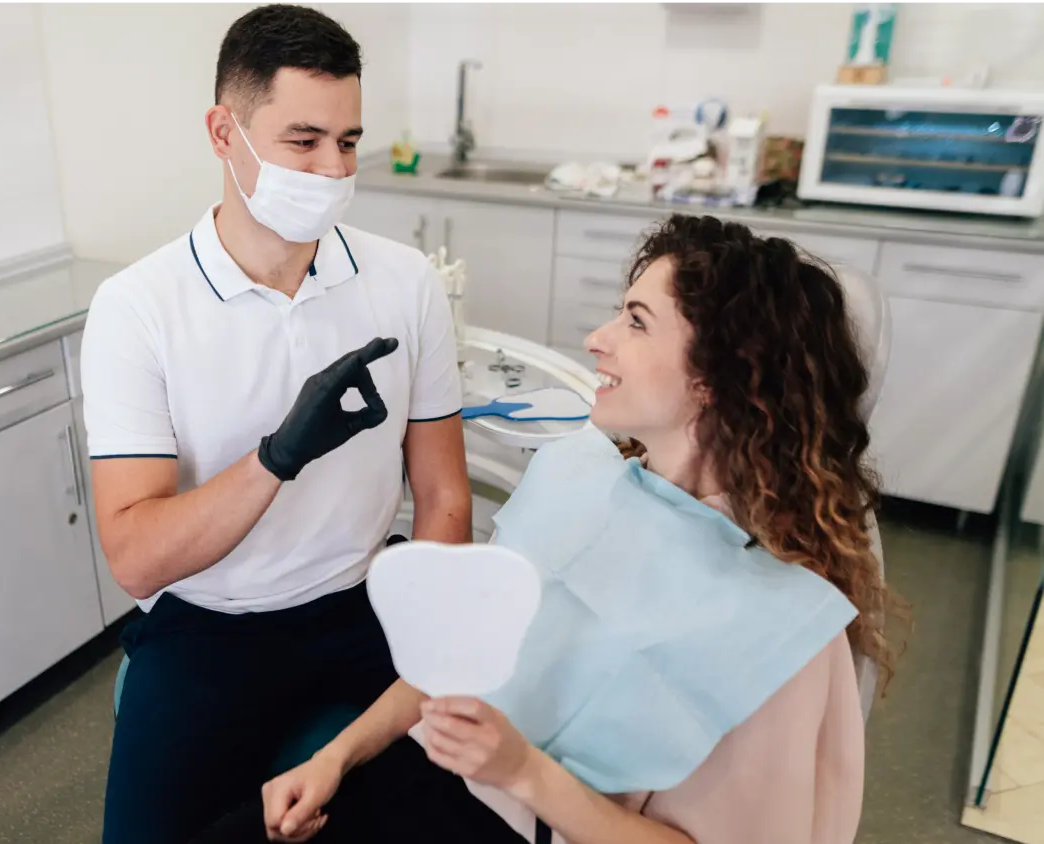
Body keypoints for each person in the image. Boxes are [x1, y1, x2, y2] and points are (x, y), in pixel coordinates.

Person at [191, 214, 905, 844]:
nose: (597, 340)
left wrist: (521, 771)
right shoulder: (577, 479)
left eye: (634, 321)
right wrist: (334, 761)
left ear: (715, 377)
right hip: (425, 775)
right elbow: (450, 663)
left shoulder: (780, 631)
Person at [81, 6, 472, 843]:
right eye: (303, 141)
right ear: (225, 131)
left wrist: (430, 638)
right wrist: (277, 458)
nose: (332, 169)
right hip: (209, 628)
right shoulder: (138, 310)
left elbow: (443, 497)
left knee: (459, 815)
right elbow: (135, 557)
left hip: (362, 606)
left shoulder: (403, 283)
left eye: (348, 141)